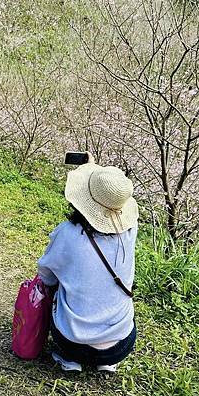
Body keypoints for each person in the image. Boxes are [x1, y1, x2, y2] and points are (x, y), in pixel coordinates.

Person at [37, 154, 138, 373]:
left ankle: (69, 360)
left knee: (55, 285)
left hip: (72, 343)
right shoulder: (130, 232)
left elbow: (45, 275)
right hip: (121, 344)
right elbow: (108, 196)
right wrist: (93, 168)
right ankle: (106, 362)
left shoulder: (68, 234)